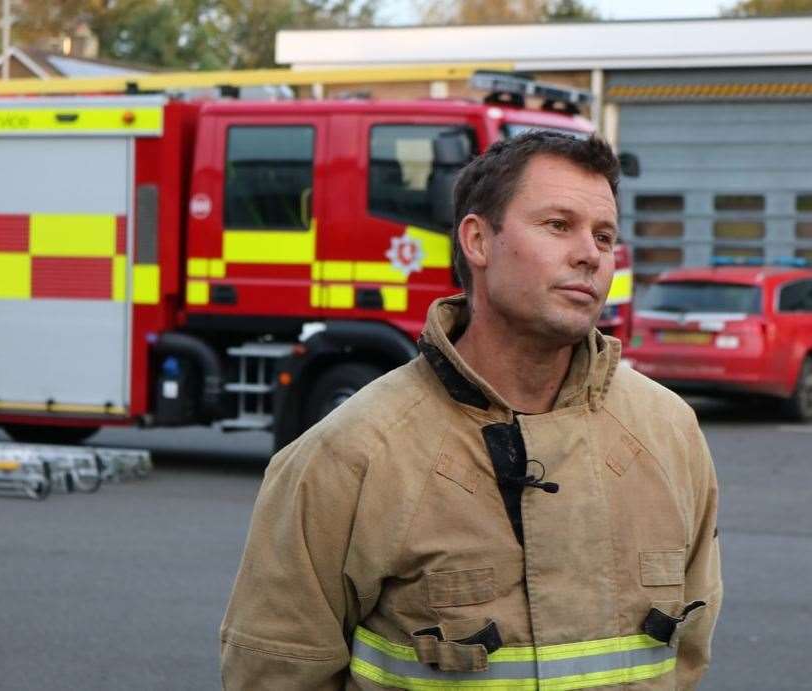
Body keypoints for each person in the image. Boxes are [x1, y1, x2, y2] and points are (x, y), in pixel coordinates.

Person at [220, 131, 722, 690]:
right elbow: (276, 674)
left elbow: (687, 656)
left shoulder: (669, 432)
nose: (590, 254)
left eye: (604, 236)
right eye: (558, 225)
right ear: (478, 241)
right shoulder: (349, 455)